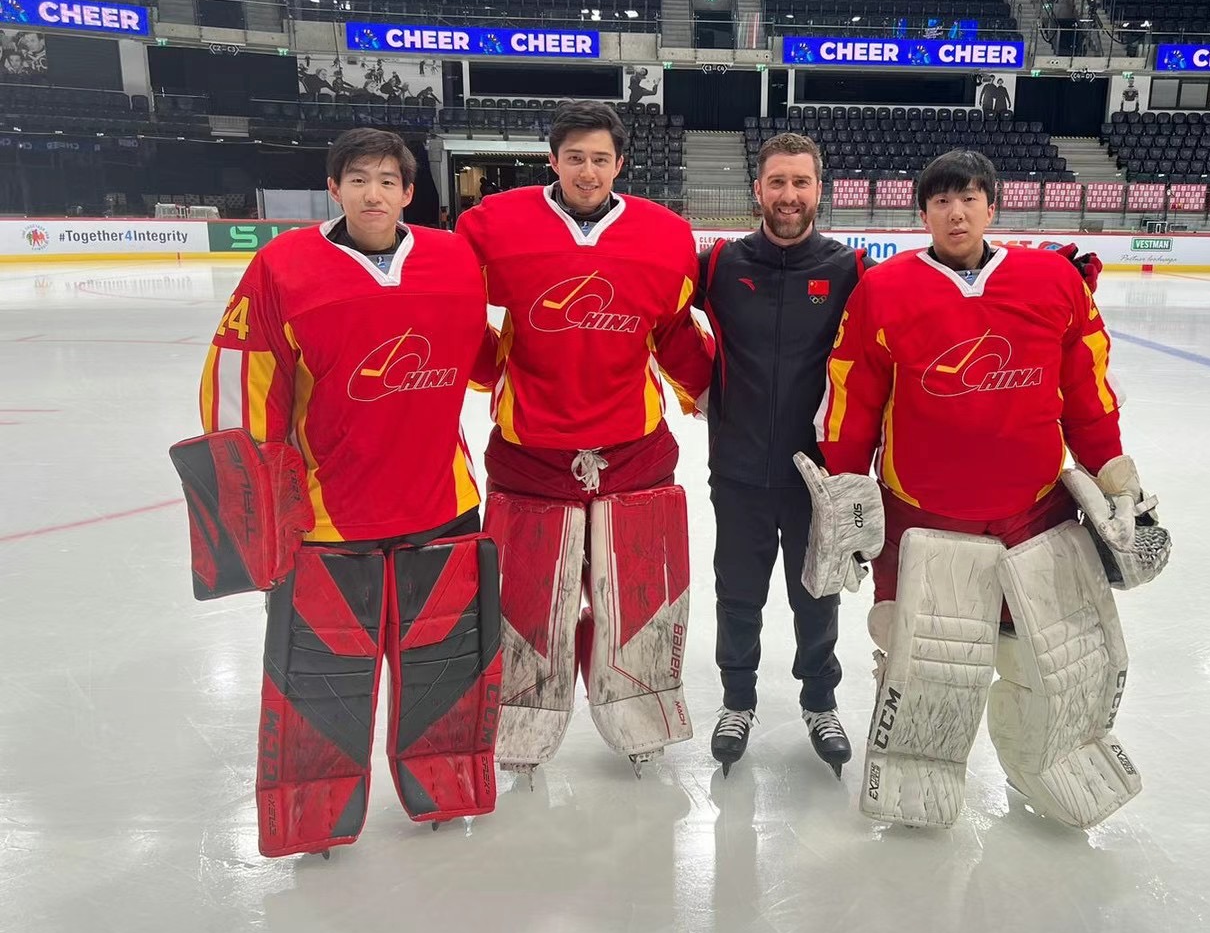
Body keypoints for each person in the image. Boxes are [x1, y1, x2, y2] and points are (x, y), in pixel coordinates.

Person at [803, 149, 1168, 831]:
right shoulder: (885, 290)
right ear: (923, 214)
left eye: (970, 198)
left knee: (1054, 660)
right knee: (926, 667)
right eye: (942, 201)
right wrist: (847, 490)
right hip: (923, 520)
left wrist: (1114, 475)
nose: (957, 212)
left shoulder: (1051, 283)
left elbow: (1087, 392)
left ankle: (1046, 764)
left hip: (1036, 515)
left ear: (992, 206)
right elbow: (853, 395)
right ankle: (916, 773)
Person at [173, 128, 501, 858]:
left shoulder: (453, 259)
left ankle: (447, 783)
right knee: (321, 676)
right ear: (334, 188)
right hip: (327, 518)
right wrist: (254, 505)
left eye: (387, 180)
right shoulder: (282, 266)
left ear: (409, 192)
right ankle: (312, 811)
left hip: (442, 505)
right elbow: (241, 385)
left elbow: (483, 356)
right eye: (357, 179)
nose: (372, 193)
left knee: (447, 666)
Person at [456, 100, 713, 778]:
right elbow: (455, 310)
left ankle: (641, 708)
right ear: (553, 160)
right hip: (530, 452)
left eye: (600, 159)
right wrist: (490, 369)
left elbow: (672, 331)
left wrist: (710, 394)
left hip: (634, 449)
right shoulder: (494, 226)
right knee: (528, 599)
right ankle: (521, 718)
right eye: (575, 158)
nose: (588, 171)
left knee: (636, 596)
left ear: (620, 163)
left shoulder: (664, 235)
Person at [695, 133, 871, 778]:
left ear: (819, 189)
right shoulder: (719, 264)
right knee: (737, 594)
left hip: (816, 477)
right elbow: (646, 296)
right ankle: (737, 702)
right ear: (758, 190)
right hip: (738, 469)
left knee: (816, 596)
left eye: (800, 182)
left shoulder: (850, 271)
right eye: (777, 182)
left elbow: (918, 314)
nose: (789, 195)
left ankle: (820, 702)